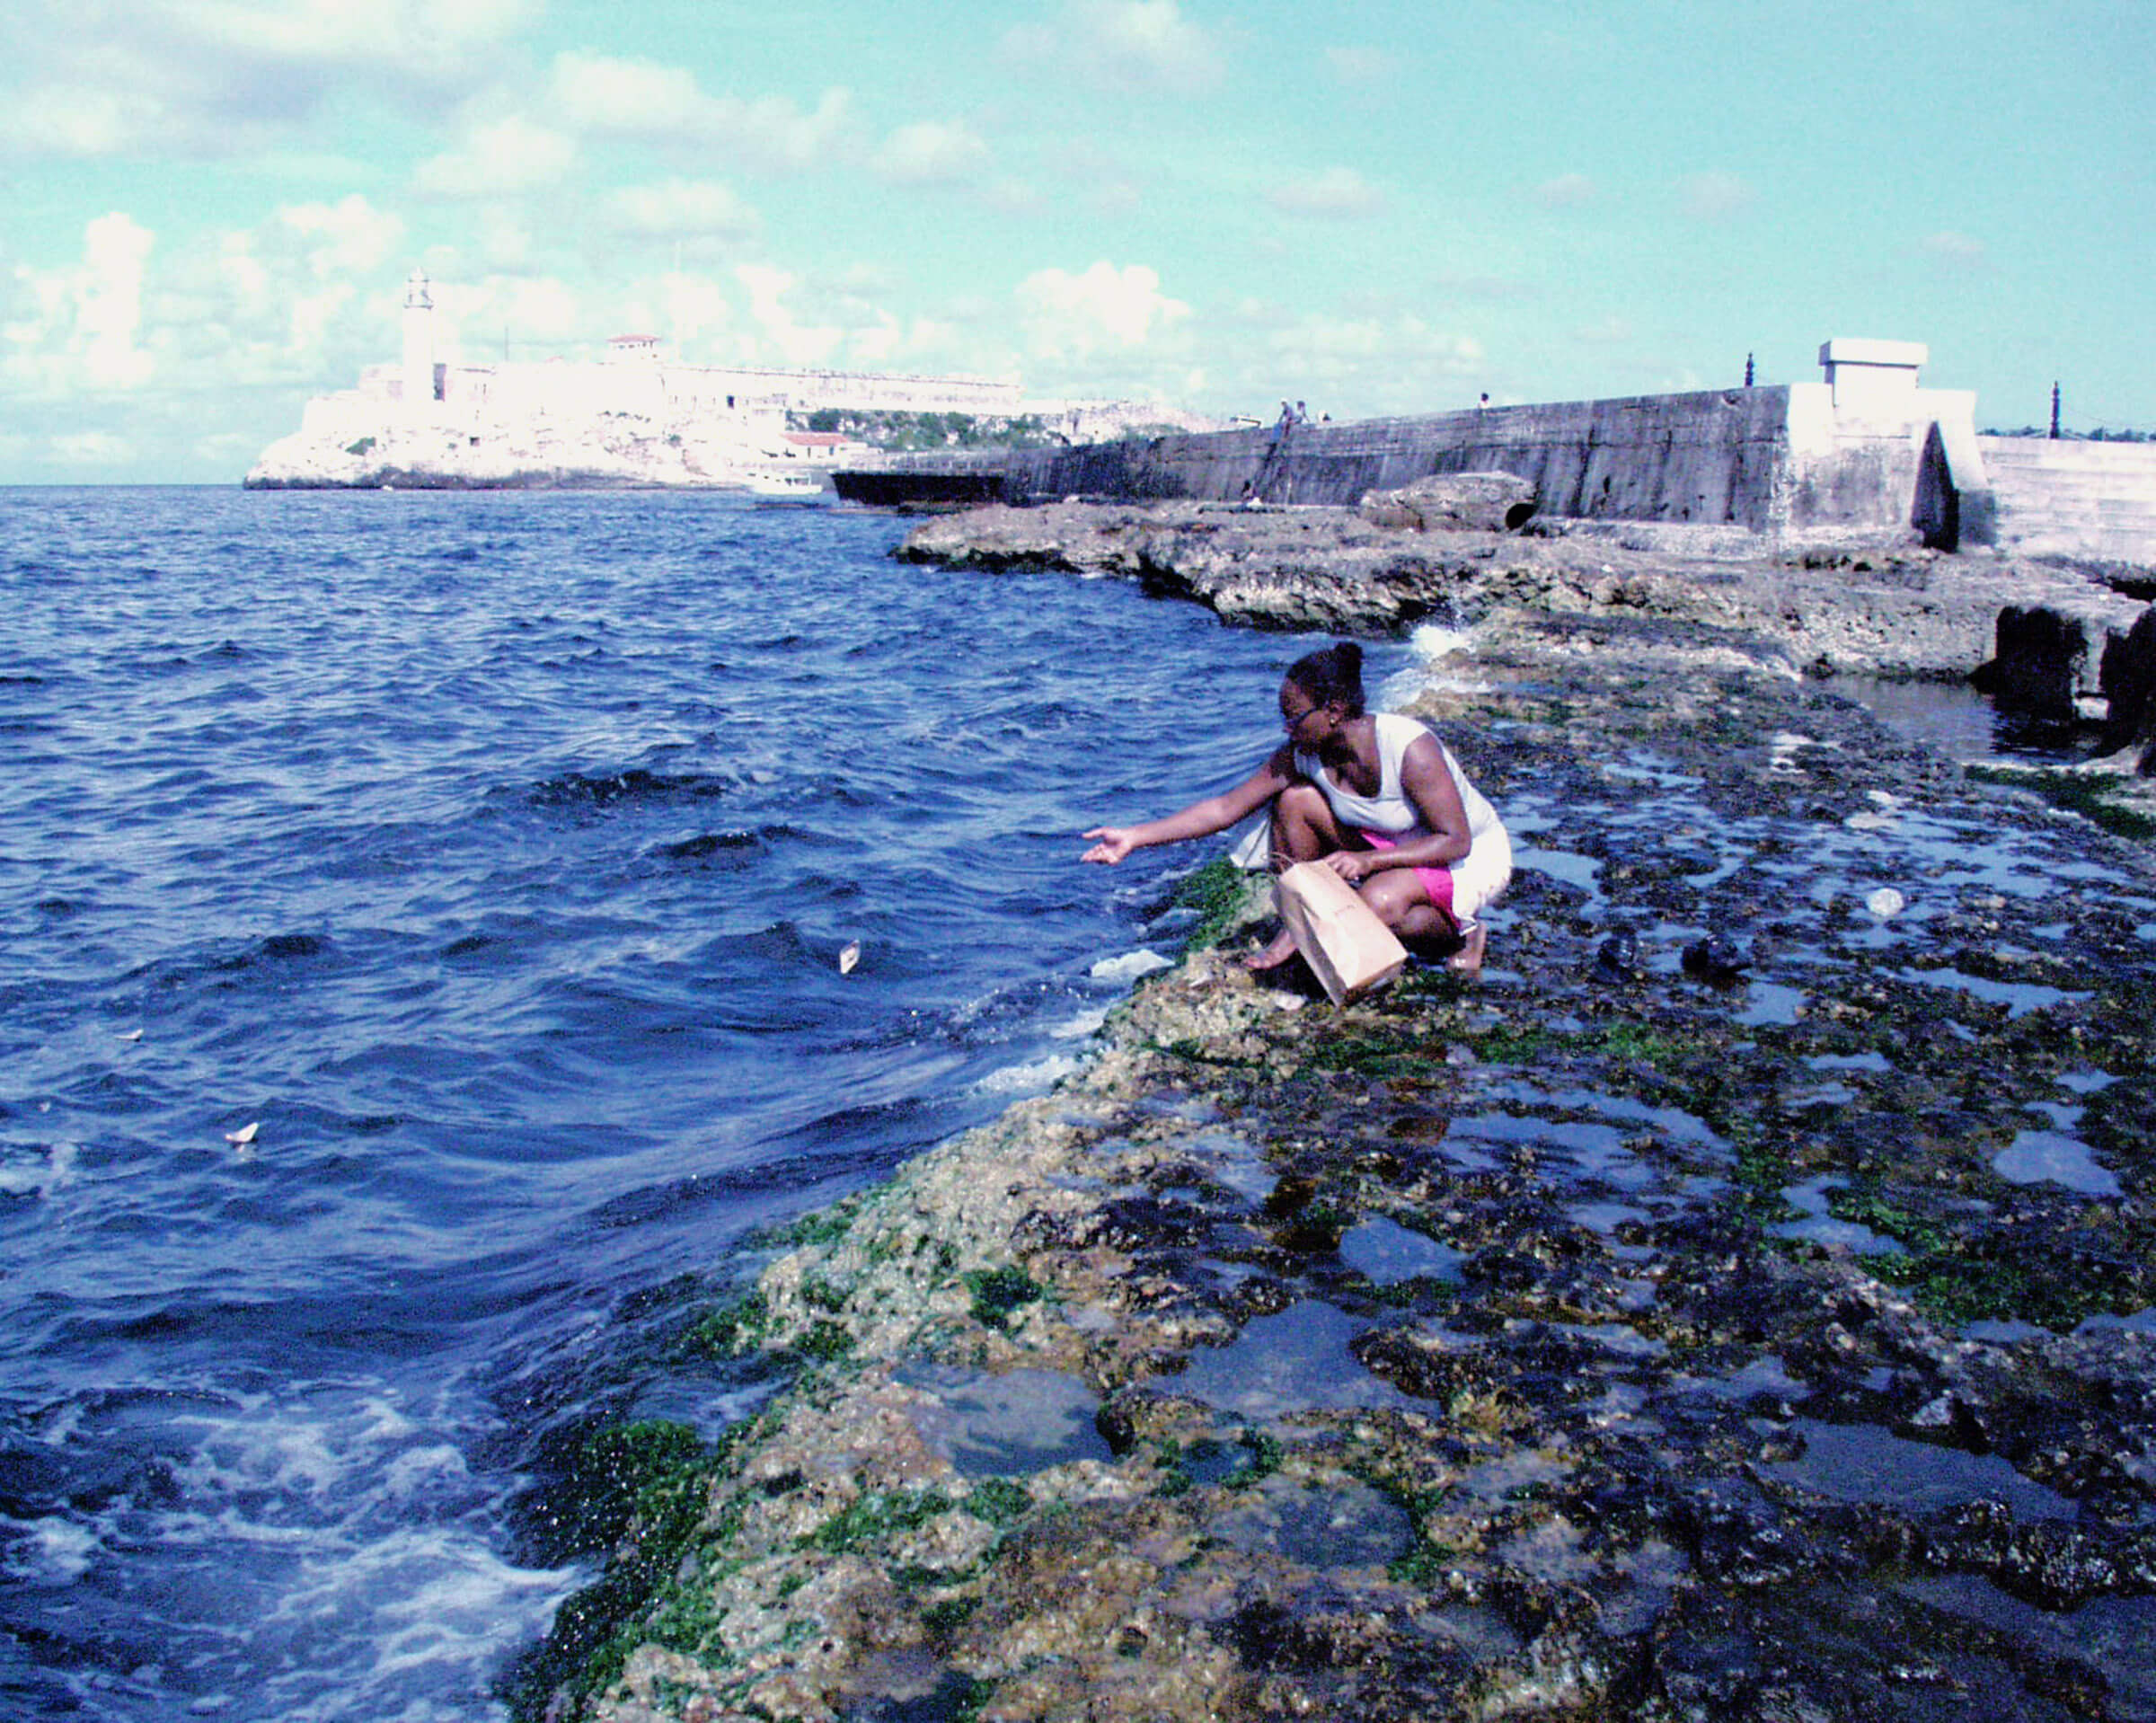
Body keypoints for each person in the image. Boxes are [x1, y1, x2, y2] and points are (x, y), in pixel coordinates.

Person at [1082, 642, 1511, 974]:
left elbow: (1455, 840)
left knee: (1379, 902)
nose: (1285, 728)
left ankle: (1462, 937)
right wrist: (1135, 837)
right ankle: (1304, 918)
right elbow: (1223, 809)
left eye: (1292, 717)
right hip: (1389, 852)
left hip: (1467, 858)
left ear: (1334, 712)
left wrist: (1367, 861)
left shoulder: (1408, 747)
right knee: (1294, 801)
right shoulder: (1300, 753)